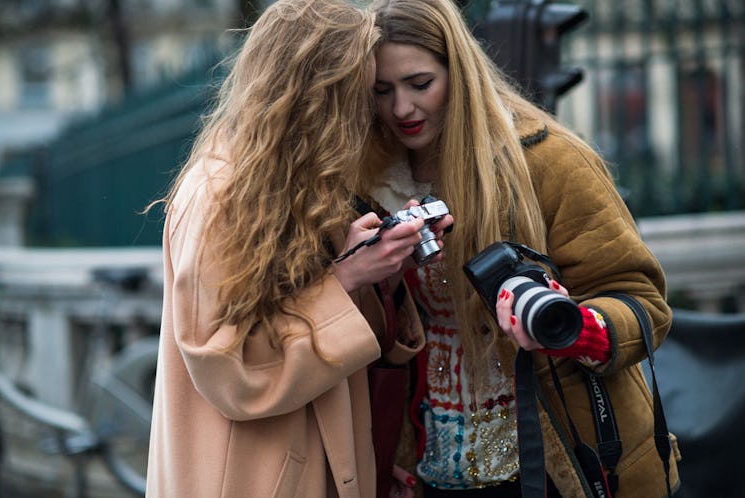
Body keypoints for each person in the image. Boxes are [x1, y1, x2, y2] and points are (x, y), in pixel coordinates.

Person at [357, 0, 683, 497]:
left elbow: (644, 305)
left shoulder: (549, 161)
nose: (402, 108)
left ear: (459, 73)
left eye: (420, 84)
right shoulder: (367, 186)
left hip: (564, 464)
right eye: (382, 91)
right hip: (434, 468)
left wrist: (570, 329)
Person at [144, 1, 453, 496]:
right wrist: (348, 278)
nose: (375, 112)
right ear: (317, 93)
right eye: (363, 91)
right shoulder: (219, 195)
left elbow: (327, 343)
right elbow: (229, 368)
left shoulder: (305, 184)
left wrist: (381, 272)